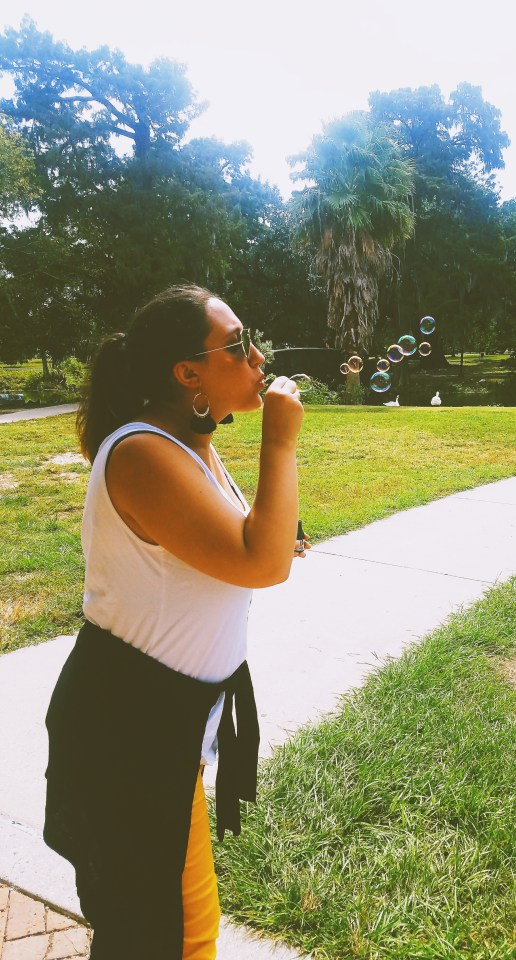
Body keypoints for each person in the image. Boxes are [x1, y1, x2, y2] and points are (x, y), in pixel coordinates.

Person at [44, 285, 307, 960]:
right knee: (160, 936)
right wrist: (280, 440)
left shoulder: (189, 442)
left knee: (176, 928)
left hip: (161, 729)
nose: (257, 357)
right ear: (186, 373)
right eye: (236, 344)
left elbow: (245, 543)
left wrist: (273, 532)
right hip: (127, 733)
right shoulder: (141, 452)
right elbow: (262, 562)